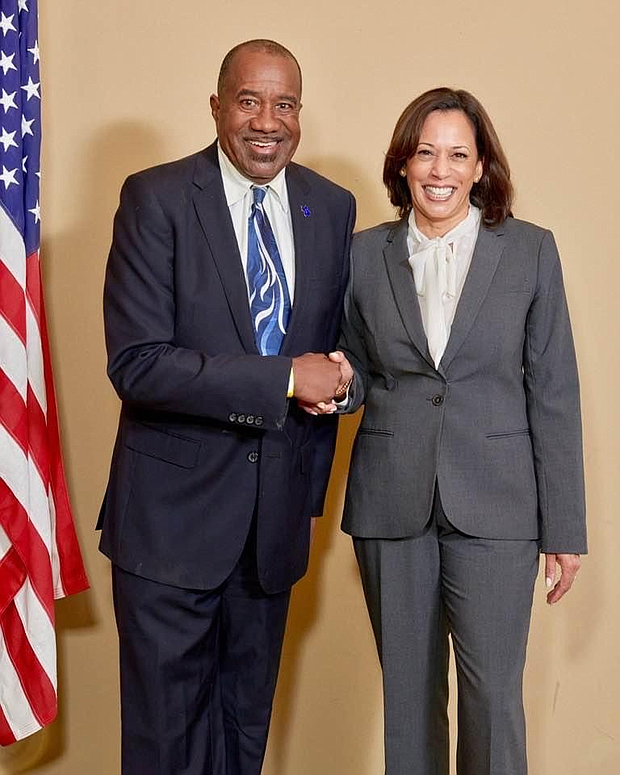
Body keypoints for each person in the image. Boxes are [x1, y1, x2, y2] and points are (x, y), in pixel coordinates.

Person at [97, 39, 355, 775]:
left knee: (243, 741)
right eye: (249, 101)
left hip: (269, 534)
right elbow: (138, 363)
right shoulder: (157, 197)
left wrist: (339, 393)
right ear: (217, 107)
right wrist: (282, 378)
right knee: (167, 747)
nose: (267, 121)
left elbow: (333, 356)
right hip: (169, 530)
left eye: (285, 104)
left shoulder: (329, 207)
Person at [313, 88, 586, 774]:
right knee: (407, 701)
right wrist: (339, 388)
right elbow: (356, 373)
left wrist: (565, 529)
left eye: (458, 154)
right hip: (391, 502)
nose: (441, 169)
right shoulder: (361, 254)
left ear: (481, 167)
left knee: (493, 699)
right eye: (426, 152)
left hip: (497, 506)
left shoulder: (529, 252)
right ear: (403, 163)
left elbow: (553, 392)